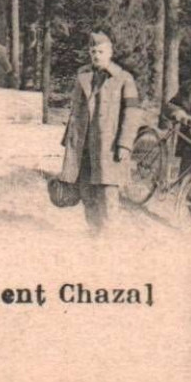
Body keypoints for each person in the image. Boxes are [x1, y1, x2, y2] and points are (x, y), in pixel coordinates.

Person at [60, 32, 142, 233]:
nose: (96, 55)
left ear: (110, 53)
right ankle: (94, 231)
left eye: (101, 51)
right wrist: (68, 140)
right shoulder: (83, 76)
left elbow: (132, 114)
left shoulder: (124, 79)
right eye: (93, 51)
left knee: (107, 191)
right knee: (86, 190)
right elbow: (75, 109)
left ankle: (110, 233)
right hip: (84, 143)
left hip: (109, 145)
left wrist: (125, 144)